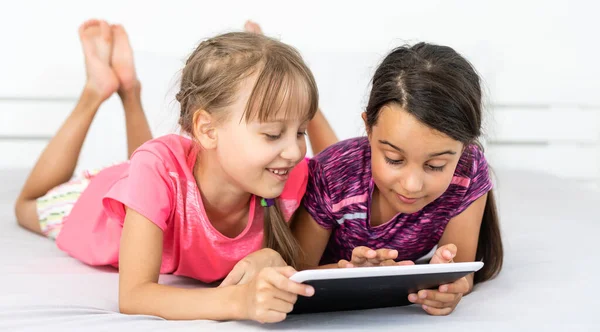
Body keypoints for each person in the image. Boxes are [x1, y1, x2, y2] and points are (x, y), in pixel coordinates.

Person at [14, 19, 336, 323]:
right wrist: (238, 301)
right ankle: (97, 91)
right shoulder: (157, 169)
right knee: (26, 206)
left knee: (151, 171)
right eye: (272, 134)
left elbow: (341, 170)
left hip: (157, 176)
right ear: (208, 130)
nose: (294, 151)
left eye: (300, 132)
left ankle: (128, 92)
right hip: (98, 201)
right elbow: (134, 296)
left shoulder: (283, 173)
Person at [292, 42, 504, 316]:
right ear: (367, 128)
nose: (412, 185)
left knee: (345, 169)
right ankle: (304, 91)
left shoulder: (468, 169)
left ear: (464, 147)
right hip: (340, 172)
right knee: (337, 164)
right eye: (394, 159)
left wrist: (449, 288)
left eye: (436, 165)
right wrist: (351, 273)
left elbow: (461, 274)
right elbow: (295, 273)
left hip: (350, 172)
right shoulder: (330, 174)